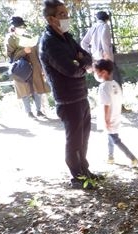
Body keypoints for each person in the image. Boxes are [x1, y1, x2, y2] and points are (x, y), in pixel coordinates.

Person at [39, 0, 99, 189]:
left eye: (66, 13)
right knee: (73, 141)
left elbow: (87, 57)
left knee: (84, 138)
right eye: (62, 14)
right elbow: (69, 70)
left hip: (81, 95)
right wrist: (80, 63)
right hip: (67, 99)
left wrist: (80, 60)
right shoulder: (49, 42)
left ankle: (85, 171)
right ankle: (77, 178)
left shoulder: (67, 37)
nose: (66, 17)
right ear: (51, 19)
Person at [93, 59, 138, 167]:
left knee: (115, 139)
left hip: (110, 118)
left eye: (96, 71)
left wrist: (106, 120)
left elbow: (106, 104)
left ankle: (132, 158)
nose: (95, 74)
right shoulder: (115, 84)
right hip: (116, 116)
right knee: (110, 137)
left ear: (103, 72)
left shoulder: (104, 87)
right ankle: (110, 157)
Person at [4, 16, 50, 119]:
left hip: (34, 65)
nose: (22, 28)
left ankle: (39, 111)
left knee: (38, 88)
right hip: (20, 67)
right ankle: (29, 112)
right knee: (24, 90)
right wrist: (23, 51)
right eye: (19, 26)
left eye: (23, 26)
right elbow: (10, 56)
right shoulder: (10, 39)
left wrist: (41, 66)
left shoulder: (28, 36)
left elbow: (37, 52)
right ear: (14, 27)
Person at [81, 11, 123, 87]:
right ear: (107, 19)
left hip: (96, 61)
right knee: (114, 82)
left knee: (104, 84)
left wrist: (89, 56)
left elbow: (84, 43)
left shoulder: (93, 27)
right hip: (105, 59)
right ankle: (117, 98)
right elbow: (104, 39)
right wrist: (108, 56)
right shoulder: (105, 25)